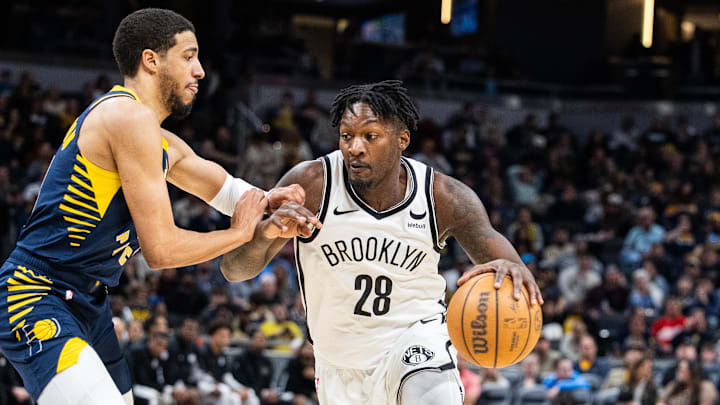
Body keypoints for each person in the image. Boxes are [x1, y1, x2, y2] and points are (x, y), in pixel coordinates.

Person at [0, 8, 309, 405]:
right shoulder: (124, 117)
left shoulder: (161, 141)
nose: (200, 71)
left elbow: (229, 190)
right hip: (36, 291)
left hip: (89, 302)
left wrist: (271, 201)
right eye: (188, 56)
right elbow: (160, 250)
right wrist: (238, 233)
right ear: (151, 60)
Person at [220, 80, 542, 405]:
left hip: (416, 340)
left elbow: (515, 271)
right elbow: (234, 270)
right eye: (347, 136)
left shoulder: (443, 197)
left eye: (370, 136)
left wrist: (511, 267)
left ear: (402, 140)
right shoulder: (311, 184)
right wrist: (265, 233)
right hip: (339, 366)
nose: (354, 147)